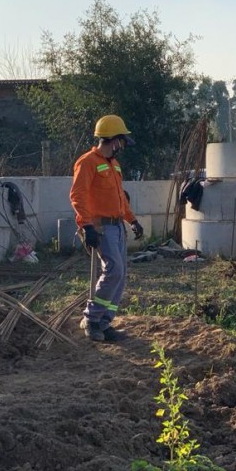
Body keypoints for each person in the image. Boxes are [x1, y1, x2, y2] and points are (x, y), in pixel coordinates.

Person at [70, 115, 144, 342]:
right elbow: (77, 196)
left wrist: (132, 220)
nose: (122, 146)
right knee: (114, 271)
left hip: (117, 226)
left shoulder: (114, 165)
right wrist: (86, 226)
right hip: (102, 227)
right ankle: (91, 319)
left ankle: (103, 322)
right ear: (112, 140)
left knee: (120, 276)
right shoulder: (88, 162)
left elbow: (120, 197)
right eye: (120, 141)